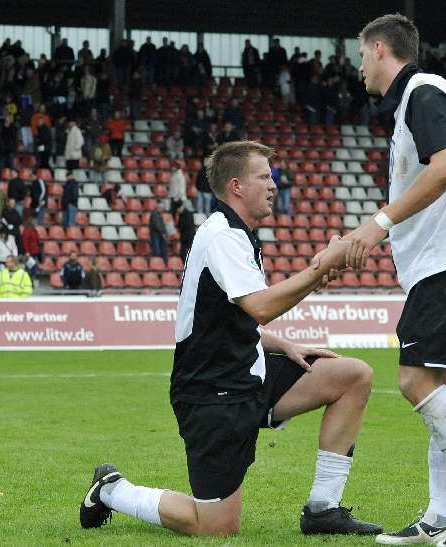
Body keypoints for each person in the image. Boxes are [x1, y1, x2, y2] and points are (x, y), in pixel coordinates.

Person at [79, 141, 380, 538]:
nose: (274, 184)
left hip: (245, 375)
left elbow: (232, 318)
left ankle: (323, 509)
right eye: (264, 176)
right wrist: (322, 265)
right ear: (237, 186)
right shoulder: (222, 236)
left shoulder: (238, 234)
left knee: (352, 376)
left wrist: (282, 344)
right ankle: (115, 489)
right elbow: (259, 306)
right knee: (216, 527)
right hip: (212, 392)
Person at [341, 15, 446, 546]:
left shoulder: (423, 90)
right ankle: (440, 516)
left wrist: (379, 224)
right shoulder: (415, 103)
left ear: (378, 49)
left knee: (414, 382)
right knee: (445, 392)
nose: (360, 66)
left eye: (362, 55)